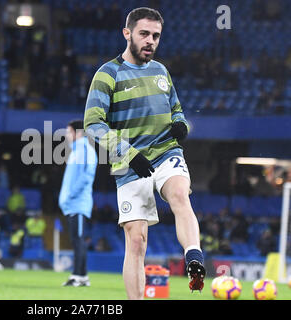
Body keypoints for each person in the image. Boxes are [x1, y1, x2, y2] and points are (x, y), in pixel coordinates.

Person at [83, 7, 205, 299]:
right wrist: (126, 152)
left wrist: (180, 125)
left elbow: (177, 109)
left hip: (165, 151)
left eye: (156, 36)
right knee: (136, 240)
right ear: (127, 34)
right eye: (144, 34)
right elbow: (93, 124)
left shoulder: (161, 71)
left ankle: (194, 256)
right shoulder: (107, 74)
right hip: (129, 163)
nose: (150, 40)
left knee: (179, 193)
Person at [59, 120, 98, 287]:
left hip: (78, 203)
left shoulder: (85, 151)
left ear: (78, 133)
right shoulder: (76, 151)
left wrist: (71, 195)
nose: (67, 135)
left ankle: (79, 275)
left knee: (78, 239)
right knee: (76, 239)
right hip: (72, 204)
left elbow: (87, 176)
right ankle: (81, 276)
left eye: (69, 132)